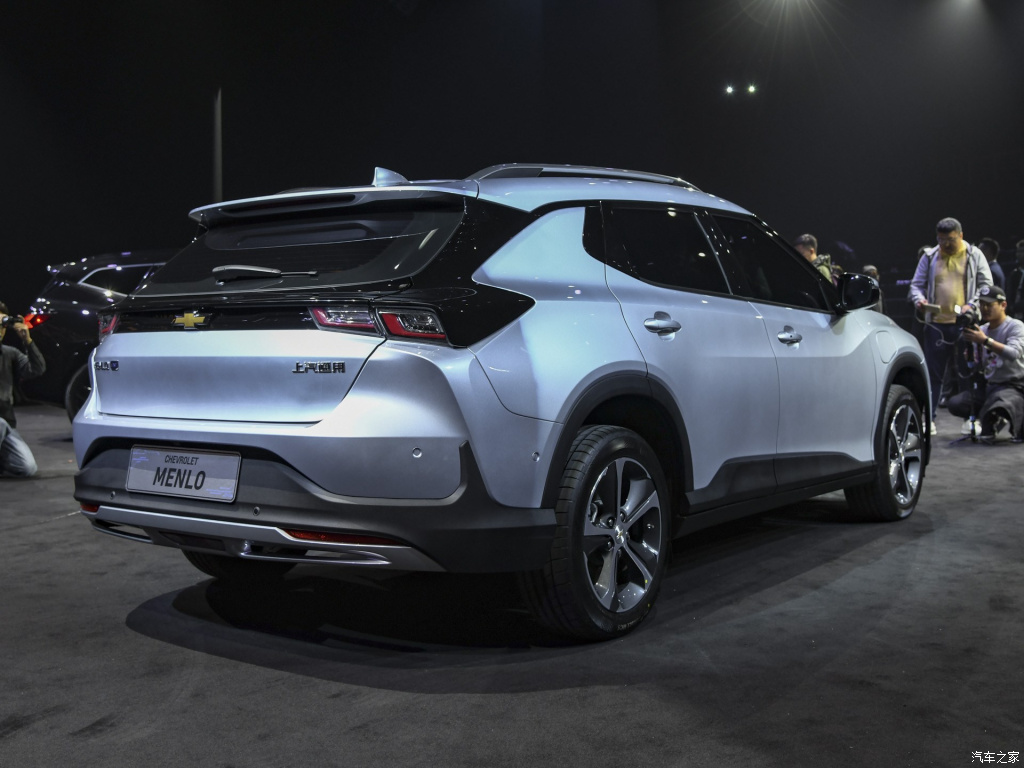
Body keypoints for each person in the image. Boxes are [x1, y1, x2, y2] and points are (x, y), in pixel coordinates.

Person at [908, 217, 993, 432]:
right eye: (941, 239)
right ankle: (929, 419)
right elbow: (915, 285)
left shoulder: (974, 255)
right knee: (934, 375)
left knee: (967, 373)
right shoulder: (929, 257)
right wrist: (920, 300)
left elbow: (986, 287)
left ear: (961, 235)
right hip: (936, 325)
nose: (946, 244)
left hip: (965, 324)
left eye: (951, 239)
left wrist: (971, 306)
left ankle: (970, 419)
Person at [946, 286, 1024, 441]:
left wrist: (985, 341)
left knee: (999, 403)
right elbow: (979, 366)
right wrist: (971, 356)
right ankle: (993, 415)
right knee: (956, 403)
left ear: (1003, 305)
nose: (985, 309)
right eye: (982, 304)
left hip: (1013, 385)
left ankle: (999, 414)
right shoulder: (981, 330)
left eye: (989, 304)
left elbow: (1014, 353)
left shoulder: (1015, 326)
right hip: (990, 385)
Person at [0, 301, 46, 477]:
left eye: (3, 325)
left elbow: (37, 369)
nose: (0, 330)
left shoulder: (9, 353)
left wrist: (27, 340)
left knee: (27, 467)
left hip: (5, 423)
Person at [1008, 239, 1024, 321]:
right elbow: (1010, 292)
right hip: (1014, 314)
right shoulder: (1015, 273)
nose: (1019, 254)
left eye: (1022, 252)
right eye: (1018, 252)